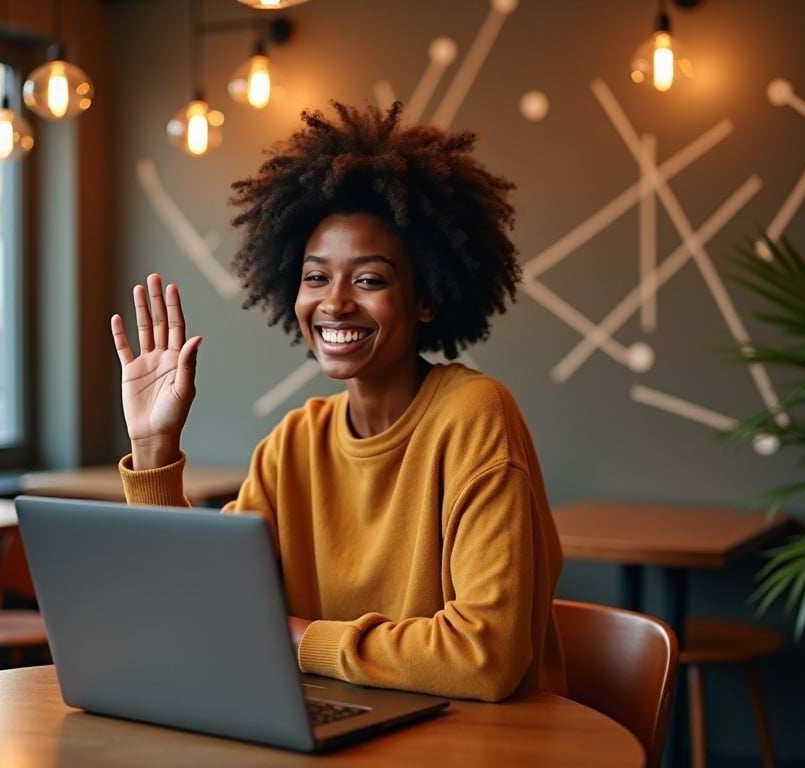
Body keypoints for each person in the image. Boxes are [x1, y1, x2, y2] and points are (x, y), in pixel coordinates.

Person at [110, 101, 565, 702]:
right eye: (316, 276)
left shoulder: (476, 415)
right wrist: (153, 446)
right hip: (339, 724)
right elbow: (198, 609)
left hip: (476, 741)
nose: (335, 303)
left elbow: (485, 656)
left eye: (370, 279)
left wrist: (301, 640)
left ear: (424, 298)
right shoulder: (296, 442)